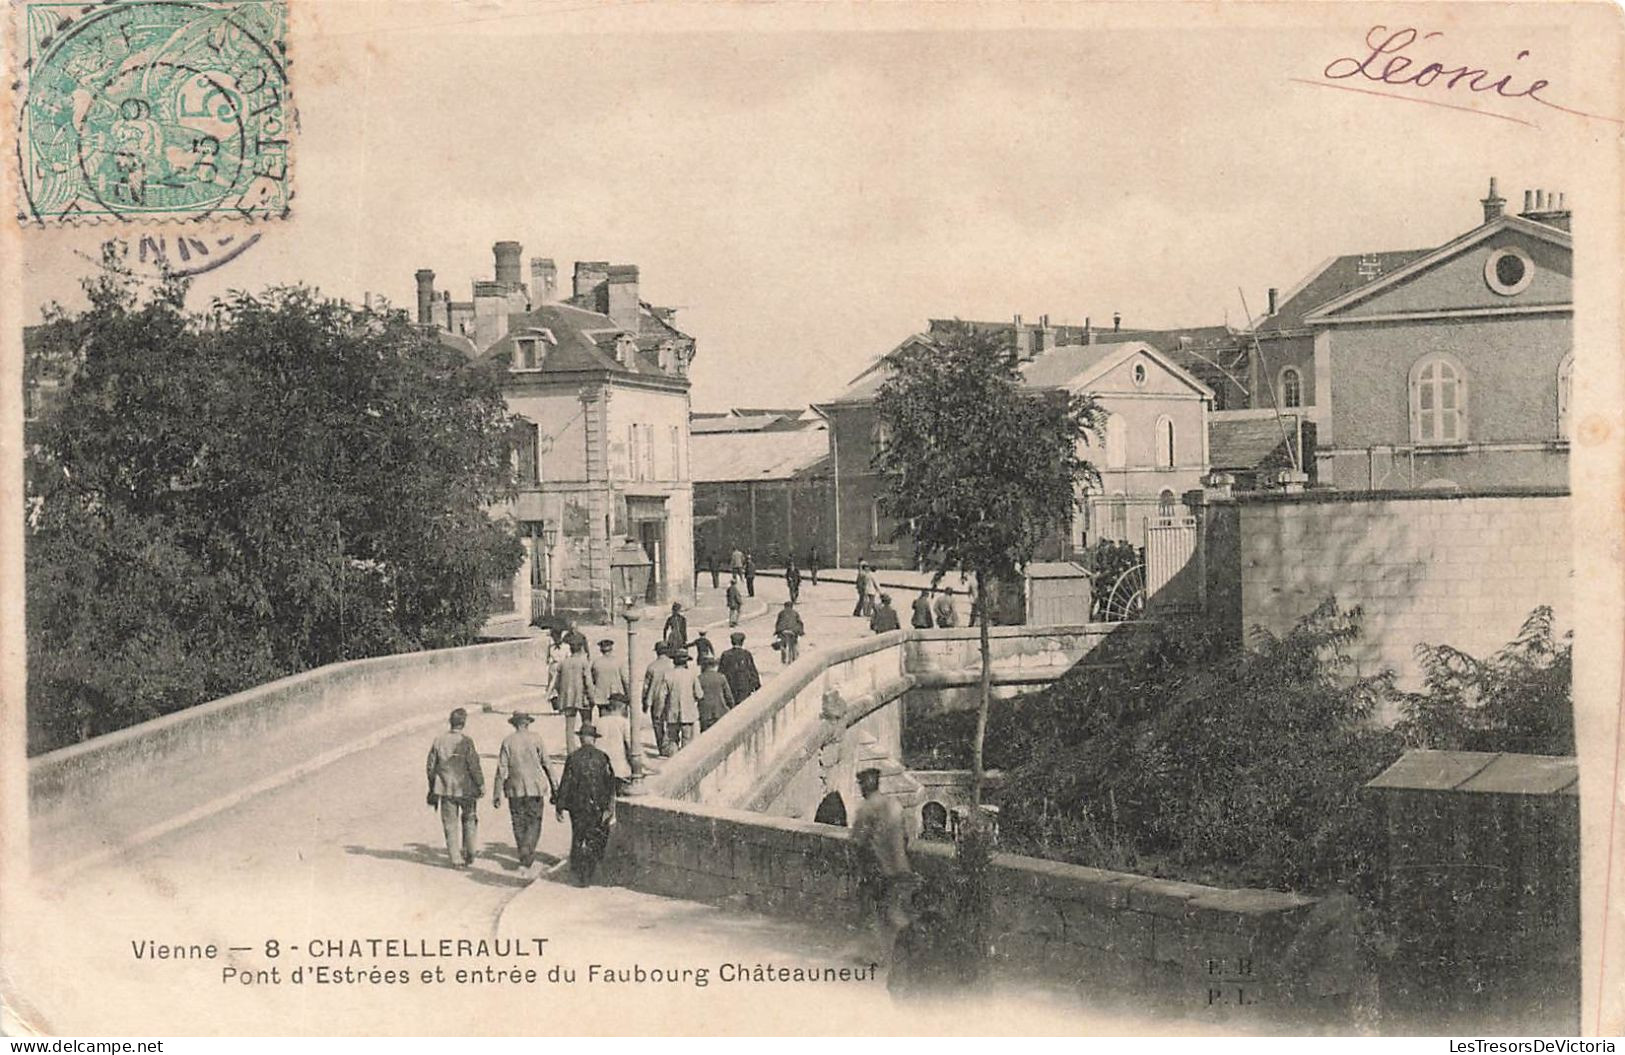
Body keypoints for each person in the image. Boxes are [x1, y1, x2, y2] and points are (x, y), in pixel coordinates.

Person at [850, 766, 912, 964]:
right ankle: (905, 950)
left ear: (865, 786)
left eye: (861, 784)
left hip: (877, 868)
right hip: (899, 867)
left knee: (873, 911)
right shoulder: (894, 804)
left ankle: (875, 955)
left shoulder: (865, 808)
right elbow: (906, 836)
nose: (860, 788)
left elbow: (858, 841)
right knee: (893, 910)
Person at [492, 711, 557, 870]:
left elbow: (501, 769)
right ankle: (527, 849)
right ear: (527, 723)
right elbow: (547, 764)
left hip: (515, 788)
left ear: (514, 724)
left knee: (518, 821)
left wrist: (497, 793)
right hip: (535, 787)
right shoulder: (536, 738)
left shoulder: (508, 741)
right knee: (535, 820)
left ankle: (524, 850)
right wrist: (555, 787)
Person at [554, 723, 617, 886]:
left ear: (582, 739)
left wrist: (560, 806)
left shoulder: (573, 758)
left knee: (578, 836)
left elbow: (566, 783)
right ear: (594, 740)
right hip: (598, 805)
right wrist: (610, 806)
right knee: (595, 836)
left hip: (578, 807)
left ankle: (579, 873)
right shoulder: (602, 757)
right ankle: (591, 870)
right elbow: (610, 783)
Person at [425, 707, 484, 869]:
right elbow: (474, 765)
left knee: (450, 823)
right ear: (463, 723)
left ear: (450, 722)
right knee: (470, 818)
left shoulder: (438, 740)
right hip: (466, 788)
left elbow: (430, 766)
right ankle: (470, 851)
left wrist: (433, 785)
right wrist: (480, 784)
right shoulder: (466, 741)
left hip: (445, 788)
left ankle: (455, 858)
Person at [595, 692, 637, 793]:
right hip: (619, 770)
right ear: (623, 707)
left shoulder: (600, 721)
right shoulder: (624, 723)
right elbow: (632, 747)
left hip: (601, 769)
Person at [556, 638, 593, 751]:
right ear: (581, 649)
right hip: (582, 698)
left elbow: (557, 682)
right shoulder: (583, 662)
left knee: (569, 727)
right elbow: (588, 681)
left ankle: (570, 750)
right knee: (586, 722)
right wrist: (592, 697)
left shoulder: (563, 662)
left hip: (567, 698)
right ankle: (587, 747)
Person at [661, 650, 703, 751]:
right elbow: (699, 694)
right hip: (688, 713)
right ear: (686, 662)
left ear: (674, 661)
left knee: (672, 740)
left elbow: (662, 695)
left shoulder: (668, 675)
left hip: (672, 713)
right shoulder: (692, 675)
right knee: (687, 740)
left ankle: (674, 761)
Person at [642, 642, 675, 756]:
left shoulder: (652, 667)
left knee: (658, 723)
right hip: (672, 698)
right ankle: (671, 747)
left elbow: (646, 686)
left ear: (657, 652)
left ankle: (662, 748)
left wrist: (645, 702)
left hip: (656, 699)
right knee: (671, 723)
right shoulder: (672, 665)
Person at [718, 631, 761, 705]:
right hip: (744, 687)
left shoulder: (726, 654)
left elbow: (721, 671)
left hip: (730, 686)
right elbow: (752, 670)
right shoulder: (746, 654)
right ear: (742, 642)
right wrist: (756, 685)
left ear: (731, 642)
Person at [696, 655, 737, 733]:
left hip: (705, 713)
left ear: (703, 666)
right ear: (714, 665)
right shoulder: (721, 677)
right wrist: (732, 707)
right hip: (720, 711)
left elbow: (696, 696)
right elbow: (728, 696)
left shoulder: (699, 678)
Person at [589, 638, 627, 718]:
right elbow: (625, 679)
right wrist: (628, 695)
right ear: (611, 649)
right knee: (620, 720)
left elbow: (592, 680)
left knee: (604, 722)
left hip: (601, 697)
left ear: (601, 650)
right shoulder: (618, 661)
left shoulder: (596, 663)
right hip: (617, 696)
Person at [773, 599, 805, 665]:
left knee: (782, 643)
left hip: (783, 631)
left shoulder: (781, 613)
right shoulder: (795, 613)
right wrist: (801, 632)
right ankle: (794, 658)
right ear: (792, 606)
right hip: (792, 631)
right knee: (794, 644)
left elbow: (778, 623)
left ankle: (783, 658)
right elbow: (800, 623)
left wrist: (776, 631)